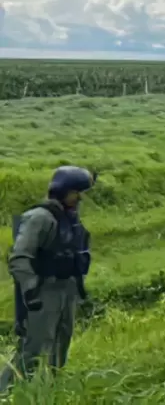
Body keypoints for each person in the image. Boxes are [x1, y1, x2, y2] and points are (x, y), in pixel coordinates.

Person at [0, 166, 95, 391]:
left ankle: (52, 390)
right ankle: (5, 393)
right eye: (75, 192)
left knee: (61, 345)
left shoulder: (70, 217)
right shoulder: (40, 218)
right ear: (61, 190)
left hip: (67, 289)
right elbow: (19, 258)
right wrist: (31, 291)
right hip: (45, 291)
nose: (79, 197)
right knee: (32, 350)